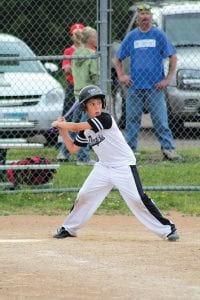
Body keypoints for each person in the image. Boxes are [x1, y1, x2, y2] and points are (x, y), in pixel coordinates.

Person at [51, 84, 179, 241]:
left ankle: (168, 229)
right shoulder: (86, 130)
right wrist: (63, 130)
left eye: (98, 103)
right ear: (85, 107)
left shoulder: (105, 118)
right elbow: (72, 149)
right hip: (103, 167)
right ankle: (69, 228)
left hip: (123, 165)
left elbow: (76, 126)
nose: (97, 107)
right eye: (92, 104)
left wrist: (61, 124)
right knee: (84, 195)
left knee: (137, 199)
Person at [114, 4, 181, 161]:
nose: (144, 16)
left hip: (155, 88)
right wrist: (121, 76)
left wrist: (167, 79)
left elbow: (173, 56)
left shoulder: (158, 35)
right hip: (134, 87)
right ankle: (129, 152)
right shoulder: (132, 36)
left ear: (151, 17)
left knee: (160, 121)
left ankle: (168, 149)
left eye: (147, 14)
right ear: (137, 17)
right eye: (141, 14)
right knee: (132, 122)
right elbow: (117, 58)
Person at [71, 26, 99, 165]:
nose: (98, 39)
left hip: (78, 93)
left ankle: (71, 152)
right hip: (89, 95)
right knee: (86, 126)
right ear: (90, 39)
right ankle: (83, 157)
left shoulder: (75, 54)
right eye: (95, 37)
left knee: (78, 125)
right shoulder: (92, 55)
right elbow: (95, 75)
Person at [57, 23, 85, 162]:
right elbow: (67, 69)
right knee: (67, 118)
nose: (78, 36)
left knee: (83, 120)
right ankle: (63, 149)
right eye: (75, 34)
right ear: (71, 36)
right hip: (72, 87)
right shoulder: (69, 51)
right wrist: (81, 69)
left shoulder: (89, 49)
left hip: (84, 89)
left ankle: (83, 149)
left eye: (81, 33)